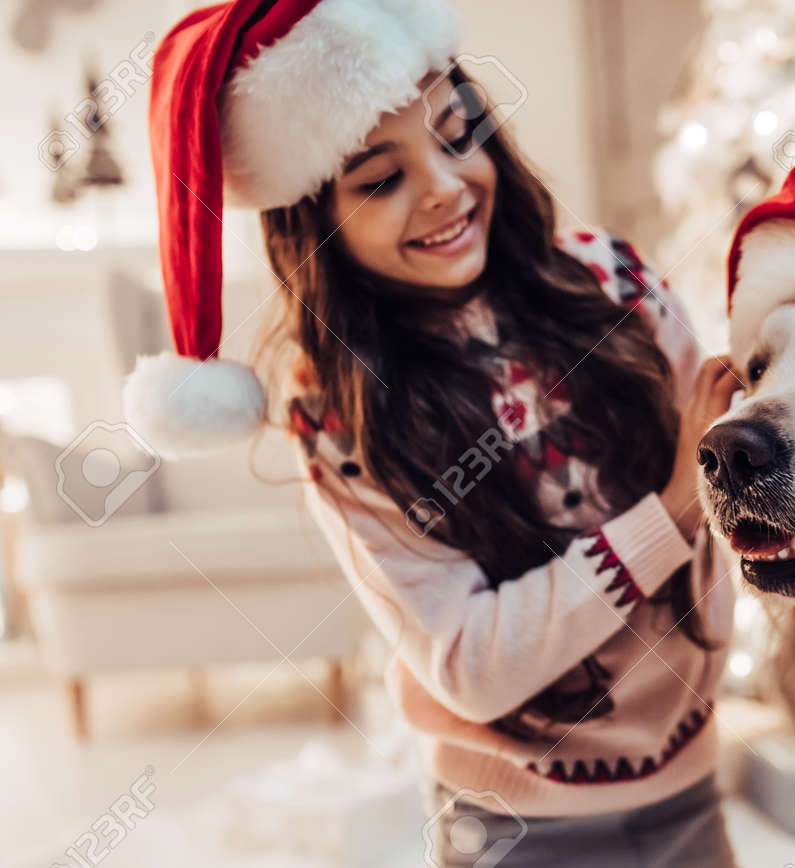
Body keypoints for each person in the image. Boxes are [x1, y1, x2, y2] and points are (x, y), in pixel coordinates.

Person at [123, 1, 740, 865]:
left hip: (687, 780)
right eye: (382, 179)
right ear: (313, 225)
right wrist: (669, 512)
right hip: (517, 830)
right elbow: (471, 663)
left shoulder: (617, 281)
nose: (446, 185)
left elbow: (731, 497)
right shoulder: (339, 416)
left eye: (457, 136)